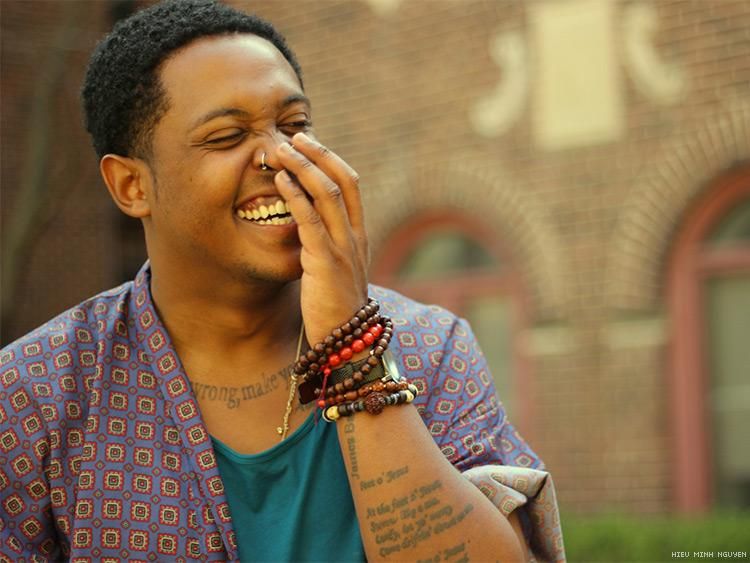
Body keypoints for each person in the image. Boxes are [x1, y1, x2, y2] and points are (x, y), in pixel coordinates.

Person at [0, 1, 564, 560]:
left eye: (294, 125)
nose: (278, 154)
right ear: (131, 186)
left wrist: (353, 349)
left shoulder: (431, 347)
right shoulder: (37, 395)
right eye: (226, 137)